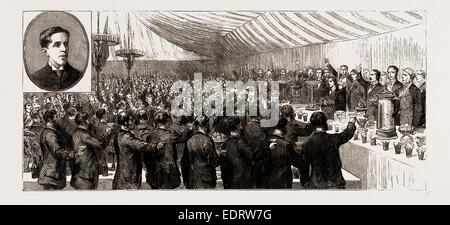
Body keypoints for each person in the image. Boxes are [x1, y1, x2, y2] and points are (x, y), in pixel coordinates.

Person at [298, 112, 356, 189]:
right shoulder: (333, 139)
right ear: (325, 123)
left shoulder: (307, 144)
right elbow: (347, 133)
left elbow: (303, 167)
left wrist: (306, 184)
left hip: (316, 185)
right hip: (336, 185)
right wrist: (351, 122)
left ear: (312, 125)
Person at [112, 112, 164, 190]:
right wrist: (156, 146)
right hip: (129, 173)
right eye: (130, 120)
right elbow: (140, 145)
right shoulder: (127, 137)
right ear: (126, 123)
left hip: (122, 171)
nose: (132, 122)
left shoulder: (118, 135)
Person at [29, 26, 82, 91]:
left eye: (66, 44)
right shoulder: (36, 78)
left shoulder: (78, 76)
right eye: (57, 45)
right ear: (46, 52)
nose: (64, 49)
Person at [71, 112, 110, 189]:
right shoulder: (84, 134)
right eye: (88, 119)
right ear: (84, 121)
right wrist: (107, 133)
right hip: (86, 174)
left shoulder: (75, 132)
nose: (90, 121)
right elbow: (99, 144)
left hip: (80, 172)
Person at [38, 109, 75, 190]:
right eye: (56, 116)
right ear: (51, 119)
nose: (59, 118)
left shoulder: (47, 132)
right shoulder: (50, 134)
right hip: (52, 173)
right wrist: (74, 154)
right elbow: (58, 152)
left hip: (50, 173)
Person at [181, 116, 219, 189]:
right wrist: (221, 155)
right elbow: (213, 161)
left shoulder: (189, 140)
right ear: (207, 126)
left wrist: (186, 180)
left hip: (193, 177)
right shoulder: (208, 140)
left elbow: (184, 162)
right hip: (207, 178)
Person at [219, 117, 255, 189]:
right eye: (241, 125)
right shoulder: (240, 142)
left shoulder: (225, 144)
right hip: (241, 180)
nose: (242, 127)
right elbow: (252, 156)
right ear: (238, 126)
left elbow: (222, 162)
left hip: (229, 180)